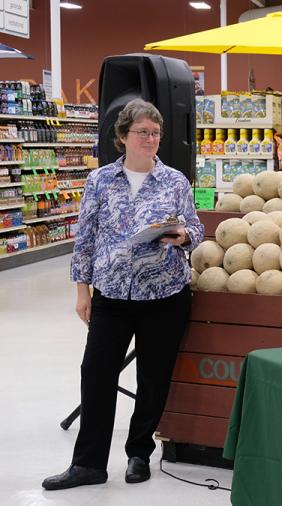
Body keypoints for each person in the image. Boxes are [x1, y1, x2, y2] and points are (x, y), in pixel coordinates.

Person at [43, 99, 204, 490]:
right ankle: (88, 464)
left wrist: (183, 236)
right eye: (142, 132)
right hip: (112, 296)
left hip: (164, 295)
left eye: (155, 133)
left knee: (153, 378)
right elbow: (84, 240)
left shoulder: (175, 181)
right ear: (122, 137)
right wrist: (83, 292)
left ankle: (138, 454)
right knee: (96, 374)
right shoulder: (99, 181)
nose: (150, 139)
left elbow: (196, 230)